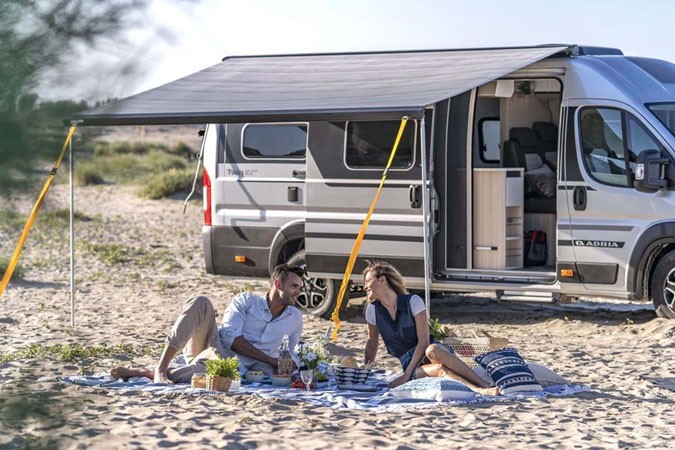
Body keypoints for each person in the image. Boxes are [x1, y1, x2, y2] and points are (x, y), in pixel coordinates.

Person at [111, 264, 305, 383]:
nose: (299, 291)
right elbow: (229, 337)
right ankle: (161, 367)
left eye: (300, 287)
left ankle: (145, 372)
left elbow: (292, 351)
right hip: (213, 346)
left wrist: (292, 365)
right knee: (201, 302)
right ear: (278, 284)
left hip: (240, 367)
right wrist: (270, 360)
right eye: (294, 286)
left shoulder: (295, 318)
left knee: (204, 374)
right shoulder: (246, 301)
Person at [362, 261, 499, 395]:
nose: (364, 287)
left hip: (432, 350)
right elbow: (372, 342)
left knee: (432, 350)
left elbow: (424, 342)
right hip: (410, 364)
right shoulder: (372, 310)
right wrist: (365, 372)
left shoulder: (413, 301)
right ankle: (479, 390)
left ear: (382, 280)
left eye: (368, 281)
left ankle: (483, 384)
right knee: (439, 369)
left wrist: (407, 374)